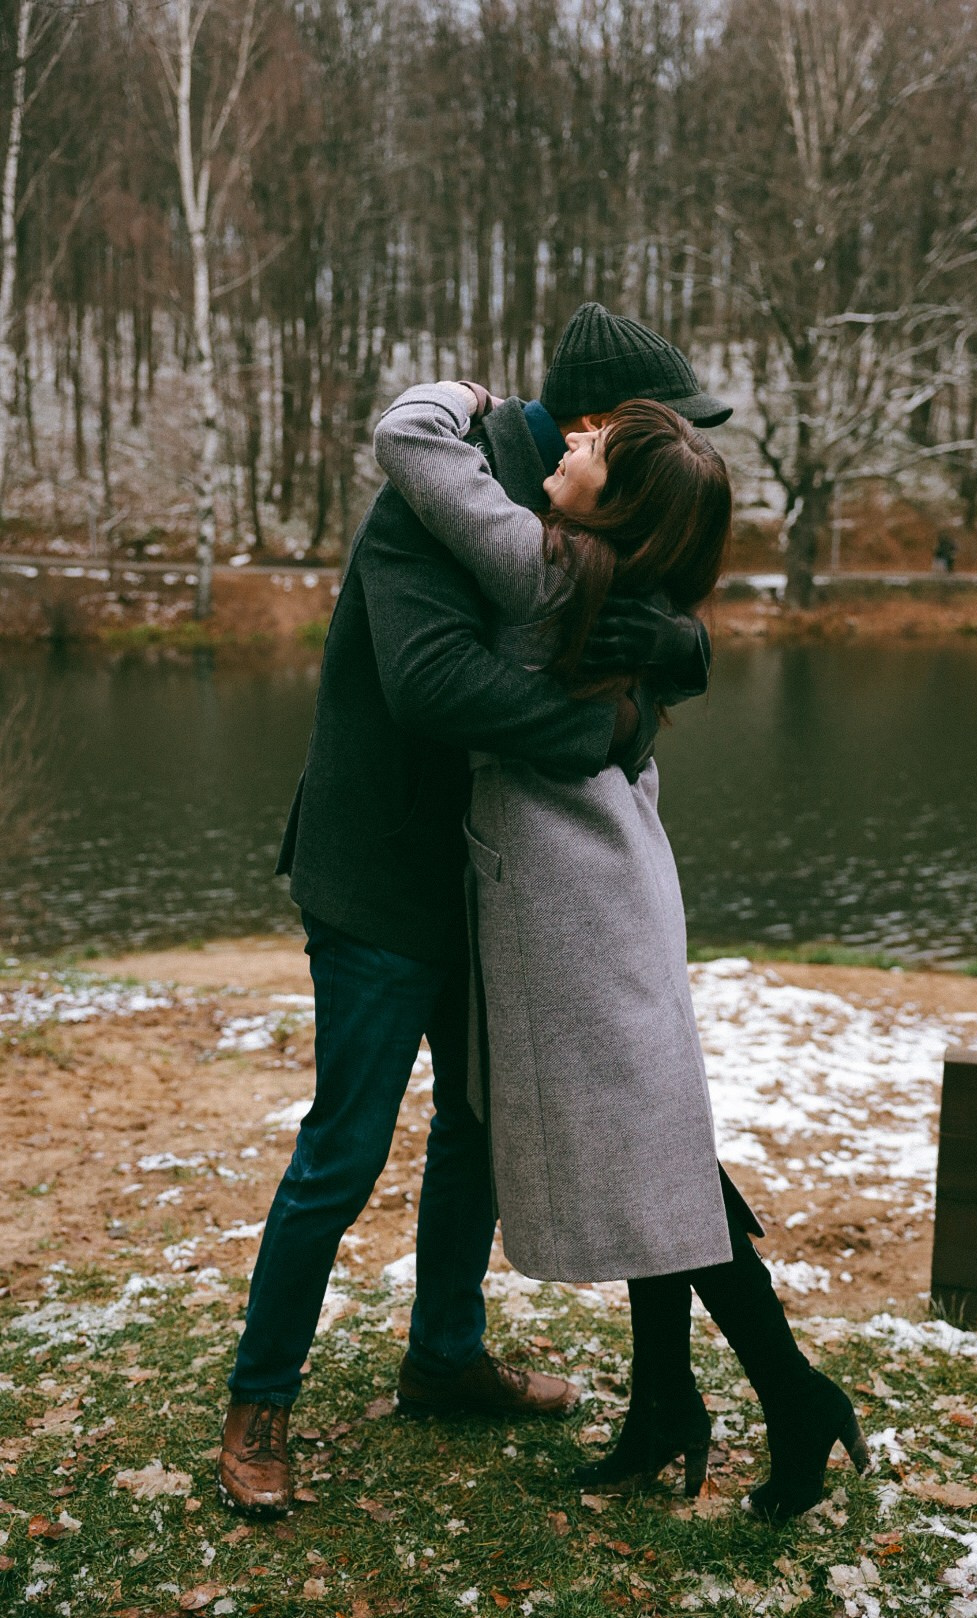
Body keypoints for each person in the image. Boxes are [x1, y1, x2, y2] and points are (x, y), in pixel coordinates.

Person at [218, 304, 733, 1517]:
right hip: (381, 875)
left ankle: (445, 1358)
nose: (677, 441)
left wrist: (673, 652)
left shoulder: (577, 504)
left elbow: (657, 617)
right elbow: (435, 685)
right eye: (659, 425)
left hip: (490, 881)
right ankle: (259, 1401)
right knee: (341, 1152)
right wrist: (612, 727)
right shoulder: (434, 504)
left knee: (476, 1132)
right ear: (601, 425)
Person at [372, 378, 868, 1523]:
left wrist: (470, 393)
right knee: (658, 1145)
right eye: (592, 423)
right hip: (614, 879)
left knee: (655, 1159)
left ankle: (790, 1397)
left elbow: (407, 435)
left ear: (621, 503)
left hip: (570, 899)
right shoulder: (627, 581)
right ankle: (668, 1404)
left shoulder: (542, 563)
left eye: (601, 442)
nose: (577, 434)